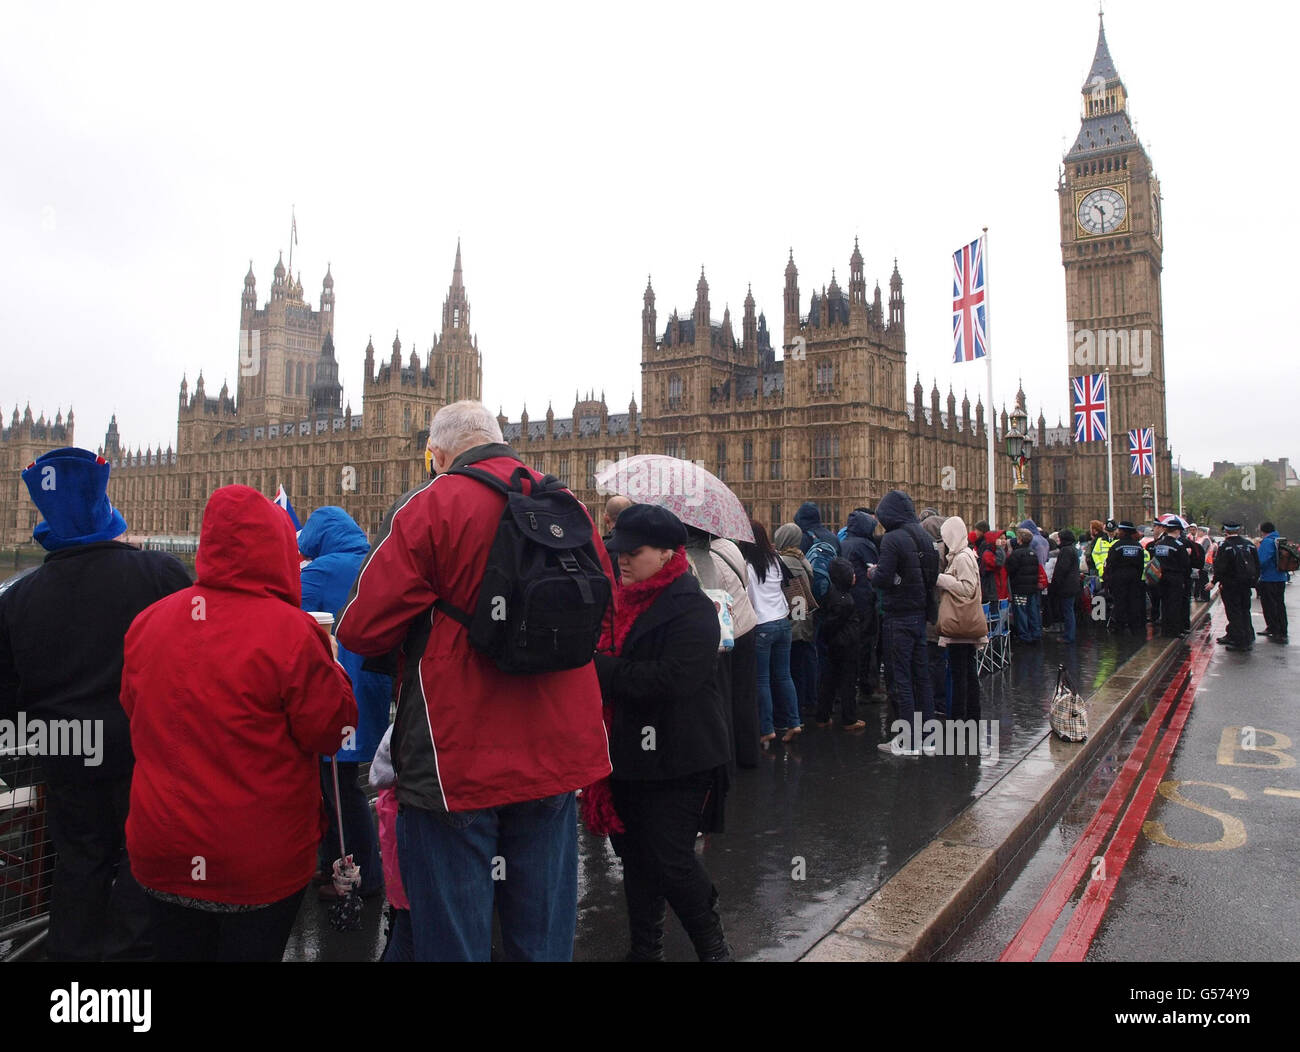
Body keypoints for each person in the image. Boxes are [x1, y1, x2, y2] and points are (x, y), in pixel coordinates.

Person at [335, 400, 614, 961]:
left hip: (456, 762)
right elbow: (604, 616)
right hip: (558, 757)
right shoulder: (567, 506)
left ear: (437, 456)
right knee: (541, 941)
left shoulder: (431, 506)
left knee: (455, 942)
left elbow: (360, 628)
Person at [121, 485, 357, 961]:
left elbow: (134, 707)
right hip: (256, 863)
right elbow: (332, 731)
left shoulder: (149, 621)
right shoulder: (293, 632)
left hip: (161, 850)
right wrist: (331, 667)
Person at [0, 448, 191, 962]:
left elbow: (5, 698)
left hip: (66, 757)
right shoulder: (158, 575)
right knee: (142, 862)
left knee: (78, 865)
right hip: (144, 753)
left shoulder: (16, 599)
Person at [593, 504, 733, 962]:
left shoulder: (692, 606)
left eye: (634, 552)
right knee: (635, 856)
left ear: (667, 552)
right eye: (619, 551)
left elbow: (673, 681)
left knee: (671, 858)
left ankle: (713, 947)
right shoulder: (616, 603)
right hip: (627, 756)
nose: (623, 560)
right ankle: (644, 949)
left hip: (680, 755)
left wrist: (603, 671)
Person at [297, 505, 392, 900]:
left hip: (337, 687)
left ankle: (363, 876)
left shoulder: (319, 572)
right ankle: (340, 865)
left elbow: (287, 618)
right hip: (373, 684)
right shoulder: (376, 560)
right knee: (343, 783)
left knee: (339, 788)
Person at [870, 489, 937, 757]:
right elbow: (932, 576)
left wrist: (873, 573)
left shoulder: (892, 539)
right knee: (922, 677)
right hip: (920, 614)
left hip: (898, 616)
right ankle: (930, 740)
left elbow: (883, 577)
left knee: (901, 679)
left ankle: (907, 742)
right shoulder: (926, 537)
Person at [685, 526, 760, 762]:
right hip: (747, 625)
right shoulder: (731, 547)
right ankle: (749, 754)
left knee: (723, 697)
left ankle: (726, 757)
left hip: (725, 634)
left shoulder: (701, 558)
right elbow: (745, 579)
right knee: (745, 693)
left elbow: (703, 594)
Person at [739, 519, 803, 745]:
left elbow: (747, 599)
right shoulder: (776, 559)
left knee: (762, 680)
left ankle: (767, 729)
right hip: (783, 623)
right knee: (785, 675)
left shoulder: (746, 565)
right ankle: (794, 722)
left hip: (763, 626)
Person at [935, 516, 986, 722]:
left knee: (960, 673)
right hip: (964, 622)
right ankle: (970, 715)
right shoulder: (963, 554)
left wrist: (940, 579)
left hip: (961, 623)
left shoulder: (963, 557)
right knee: (967, 671)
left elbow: (967, 588)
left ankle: (960, 717)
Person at [773, 523, 820, 714]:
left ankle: (793, 711)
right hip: (804, 618)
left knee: (789, 670)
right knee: (804, 662)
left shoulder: (781, 561)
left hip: (790, 621)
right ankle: (808, 701)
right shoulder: (803, 559)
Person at [814, 558, 865, 730]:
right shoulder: (846, 600)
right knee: (848, 682)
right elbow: (832, 623)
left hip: (834, 645)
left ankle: (823, 715)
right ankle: (849, 719)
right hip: (847, 644)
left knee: (828, 681)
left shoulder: (832, 593)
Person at [839, 509, 882, 700]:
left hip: (846, 601)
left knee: (848, 645)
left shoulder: (844, 542)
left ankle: (847, 689)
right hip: (864, 601)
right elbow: (875, 573)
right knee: (866, 645)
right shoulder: (865, 545)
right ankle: (867, 688)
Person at [1214, 522, 1259, 651]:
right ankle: (1247, 635)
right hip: (1245, 584)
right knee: (1245, 610)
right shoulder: (1249, 544)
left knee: (1234, 612)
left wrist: (1215, 581)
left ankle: (1239, 640)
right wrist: (1254, 582)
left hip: (1231, 585)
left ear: (1226, 531)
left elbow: (1220, 567)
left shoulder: (1225, 545)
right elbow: (1257, 564)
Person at [1105, 522, 1147, 636]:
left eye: (1120, 530)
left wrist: (1110, 579)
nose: (1118, 532)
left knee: (1120, 603)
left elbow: (1110, 564)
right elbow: (1140, 565)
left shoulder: (1116, 546)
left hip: (1119, 579)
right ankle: (1134, 628)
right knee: (1134, 603)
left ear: (1124, 532)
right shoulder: (1138, 546)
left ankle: (1120, 627)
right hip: (1134, 578)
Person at [1152, 516, 1191, 637]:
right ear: (1178, 530)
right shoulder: (1178, 545)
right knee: (1175, 604)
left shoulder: (1159, 544)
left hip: (1161, 577)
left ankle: (1165, 629)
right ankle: (1174, 631)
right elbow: (1186, 564)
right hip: (1175, 578)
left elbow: (1154, 562)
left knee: (1164, 604)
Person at [1005, 529, 1043, 643]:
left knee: (1021, 612)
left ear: (1019, 540)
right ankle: (1036, 633)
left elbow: (1010, 569)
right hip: (1032, 589)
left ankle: (1024, 636)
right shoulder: (1033, 553)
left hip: (1020, 589)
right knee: (1032, 611)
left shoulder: (1016, 554)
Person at [1257, 521, 1289, 642]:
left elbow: (1262, 560)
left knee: (1269, 605)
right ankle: (1282, 628)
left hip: (1269, 577)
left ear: (1263, 531)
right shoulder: (1279, 540)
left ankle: (1274, 628)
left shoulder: (1267, 542)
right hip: (1281, 577)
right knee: (1280, 603)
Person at [1049, 529, 1081, 643]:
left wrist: (1055, 584)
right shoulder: (1072, 549)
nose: (1058, 540)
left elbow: (1061, 569)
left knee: (1068, 611)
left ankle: (1069, 636)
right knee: (1069, 610)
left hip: (1066, 586)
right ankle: (1069, 634)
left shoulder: (1065, 551)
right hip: (1072, 585)